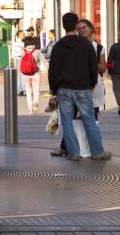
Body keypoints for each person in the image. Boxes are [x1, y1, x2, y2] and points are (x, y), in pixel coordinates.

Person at [47, 13, 110, 161]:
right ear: (76, 26)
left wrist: (53, 89)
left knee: (67, 122)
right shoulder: (86, 44)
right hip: (82, 88)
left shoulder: (58, 46)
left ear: (63, 26)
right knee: (89, 119)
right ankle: (97, 151)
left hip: (63, 88)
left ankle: (73, 152)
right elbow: (93, 67)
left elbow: (53, 70)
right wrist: (92, 84)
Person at [76, 19, 107, 117]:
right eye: (79, 29)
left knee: (93, 114)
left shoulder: (99, 48)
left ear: (91, 28)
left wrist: (92, 63)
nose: (82, 30)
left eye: (84, 27)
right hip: (79, 84)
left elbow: (103, 68)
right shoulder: (76, 46)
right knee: (80, 115)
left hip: (94, 85)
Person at [20, 44, 45, 114]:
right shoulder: (37, 51)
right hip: (35, 73)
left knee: (28, 91)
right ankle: (35, 104)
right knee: (36, 91)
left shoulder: (23, 51)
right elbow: (44, 61)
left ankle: (29, 109)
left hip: (25, 74)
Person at [11, 30, 26, 95]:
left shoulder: (21, 43)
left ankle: (20, 89)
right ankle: (21, 89)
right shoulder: (17, 43)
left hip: (20, 59)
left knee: (20, 74)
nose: (24, 35)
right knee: (21, 74)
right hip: (19, 59)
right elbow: (19, 52)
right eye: (23, 34)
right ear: (19, 35)